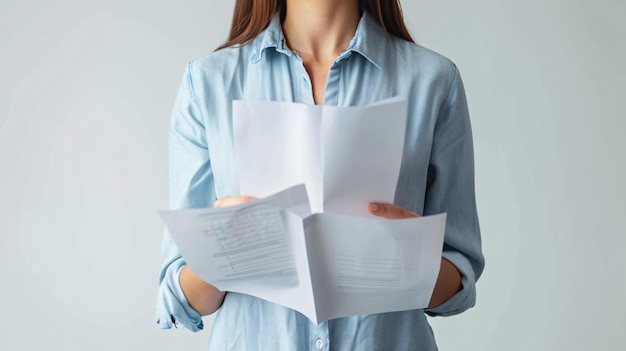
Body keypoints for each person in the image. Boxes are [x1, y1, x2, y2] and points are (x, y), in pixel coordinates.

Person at [156, 0, 484, 349]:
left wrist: (408, 261)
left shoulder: (433, 80)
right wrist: (225, 251)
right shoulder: (207, 82)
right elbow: (179, 298)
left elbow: (459, 279)